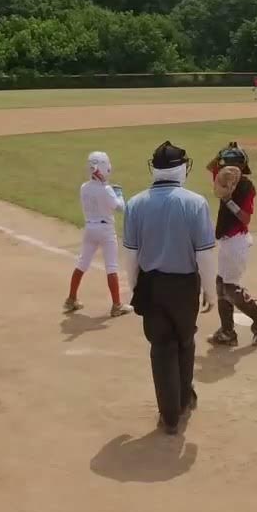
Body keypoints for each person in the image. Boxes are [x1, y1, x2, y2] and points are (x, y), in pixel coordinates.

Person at [122, 141, 216, 435]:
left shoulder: (135, 204)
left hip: (151, 284)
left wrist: (135, 286)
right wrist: (210, 291)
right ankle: (184, 399)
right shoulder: (196, 202)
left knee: (161, 347)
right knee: (185, 341)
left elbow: (131, 255)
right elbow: (204, 254)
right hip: (185, 284)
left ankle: (169, 415)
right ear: (181, 169)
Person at [205, 143, 257, 347]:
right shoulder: (223, 179)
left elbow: (245, 218)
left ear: (241, 167)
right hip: (228, 242)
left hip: (237, 241)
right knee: (221, 286)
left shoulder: (246, 187)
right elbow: (211, 167)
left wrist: (228, 200)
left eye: (232, 166)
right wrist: (221, 155)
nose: (228, 171)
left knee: (229, 288)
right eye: (226, 166)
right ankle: (227, 332)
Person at [64, 151, 132, 317]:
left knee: (82, 263)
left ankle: (71, 298)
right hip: (106, 231)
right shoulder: (106, 190)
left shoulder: (84, 188)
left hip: (90, 228)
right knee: (111, 267)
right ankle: (117, 305)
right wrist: (119, 194)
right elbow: (121, 208)